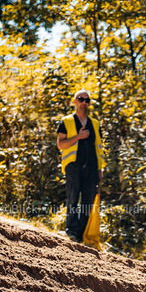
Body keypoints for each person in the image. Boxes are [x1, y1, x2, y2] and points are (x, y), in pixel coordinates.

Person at [56, 89, 104, 242]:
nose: (84, 102)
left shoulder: (95, 124)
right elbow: (60, 145)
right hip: (73, 166)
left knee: (88, 201)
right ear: (74, 101)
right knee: (73, 198)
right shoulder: (66, 121)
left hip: (92, 167)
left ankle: (83, 234)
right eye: (81, 99)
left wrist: (100, 169)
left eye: (87, 100)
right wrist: (79, 136)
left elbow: (99, 147)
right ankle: (72, 231)